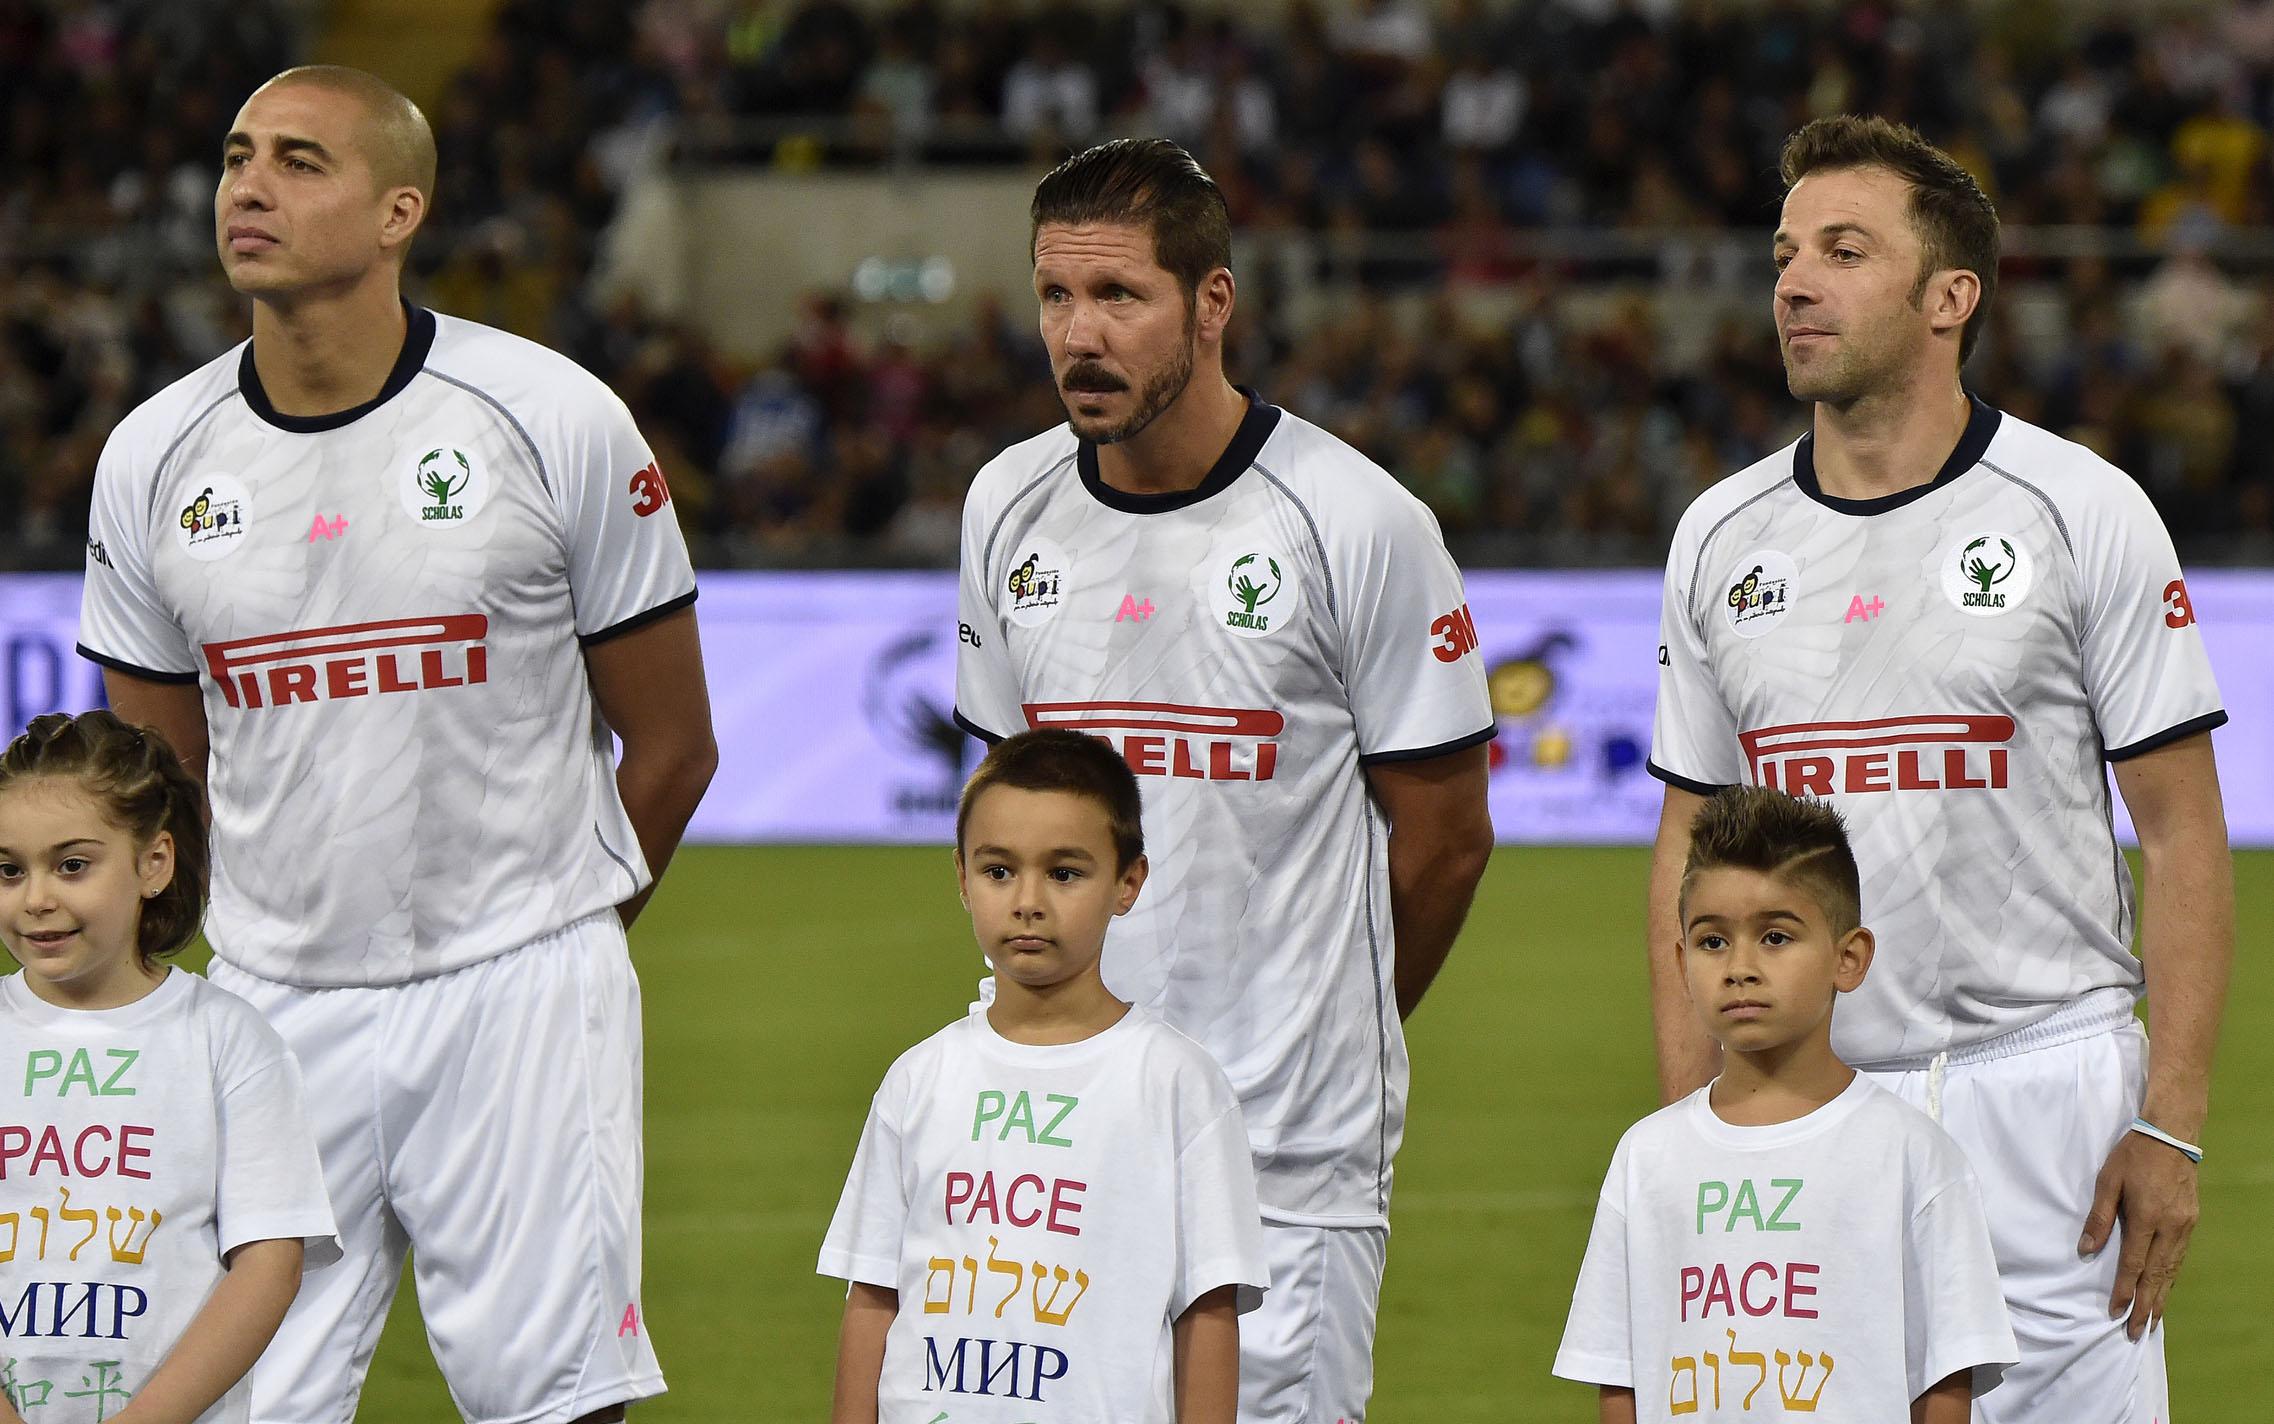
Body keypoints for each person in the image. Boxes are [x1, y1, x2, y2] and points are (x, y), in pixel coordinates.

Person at [74, 66, 718, 1424]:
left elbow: (670, 746)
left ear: (397, 213)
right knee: (239, 1403)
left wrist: (562, 945)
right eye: (238, 154)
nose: (247, 187)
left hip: (522, 991)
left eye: (300, 162)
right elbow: (159, 786)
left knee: (553, 1402)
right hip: (268, 1001)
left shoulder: (552, 417)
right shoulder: (153, 455)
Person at [1647, 114, 2232, 1424]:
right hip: (1805, 1101)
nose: (1794, 281)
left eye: (1843, 251)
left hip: (2052, 1105)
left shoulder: (2079, 513)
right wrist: (1688, 1118)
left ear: (1946, 297)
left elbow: (2184, 834)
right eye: (1786, 251)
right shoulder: (1715, 537)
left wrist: (2169, 1125)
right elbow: (1687, 845)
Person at [953, 138, 1496, 1423]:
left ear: (1210, 303)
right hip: (1054, 1131)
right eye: (1055, 298)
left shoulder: (1354, 521)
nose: (1079, 335)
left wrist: (1332, 1035)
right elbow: (1007, 805)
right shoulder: (1005, 506)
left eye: (1119, 297)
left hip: (1284, 1157)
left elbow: (1447, 837)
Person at [819, 728, 1268, 1422]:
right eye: (999, 871)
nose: (1028, 901)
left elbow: (1207, 1310)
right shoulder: (919, 1079)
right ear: (962, 879)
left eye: (1064, 873)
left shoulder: (1176, 1083)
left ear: (1128, 882)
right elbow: (873, 1294)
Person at [1557, 786, 2016, 1423]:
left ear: (1848, 958)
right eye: (1713, 942)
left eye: (1775, 937)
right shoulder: (1647, 1156)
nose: (1740, 967)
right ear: (1682, 960)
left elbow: (1945, 1377)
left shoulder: (1914, 1154)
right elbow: (1617, 1372)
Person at [0, 710, 338, 1424]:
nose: (36, 898)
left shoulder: (229, 1041)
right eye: (9, 869)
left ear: (153, 863)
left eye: (72, 865)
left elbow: (269, 1263)